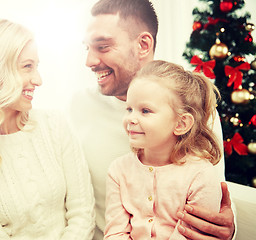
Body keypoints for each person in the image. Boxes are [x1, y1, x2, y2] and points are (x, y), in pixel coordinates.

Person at [68, 0, 235, 239]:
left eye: (103, 47)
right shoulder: (79, 106)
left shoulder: (194, 108)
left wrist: (227, 226)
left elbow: (213, 195)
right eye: (87, 48)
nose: (89, 62)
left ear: (143, 44)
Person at [0, 18, 95, 240]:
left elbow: (83, 213)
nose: (38, 79)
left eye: (36, 66)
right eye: (27, 67)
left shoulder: (55, 126)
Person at [104, 60, 223, 239]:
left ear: (181, 123)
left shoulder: (200, 175)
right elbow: (114, 233)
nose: (131, 118)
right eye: (129, 109)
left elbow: (192, 235)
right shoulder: (118, 170)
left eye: (145, 111)